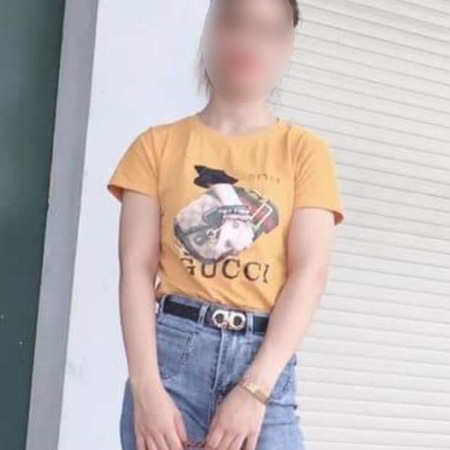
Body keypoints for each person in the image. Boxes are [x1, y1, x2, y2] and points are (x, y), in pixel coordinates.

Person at [106, 0, 345, 448]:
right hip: (170, 363)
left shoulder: (305, 153)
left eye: (267, 31)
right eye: (234, 22)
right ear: (210, 28)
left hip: (263, 362)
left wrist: (255, 390)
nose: (247, 41)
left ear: (287, 48)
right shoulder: (155, 147)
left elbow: (309, 273)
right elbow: (135, 271)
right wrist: (146, 389)